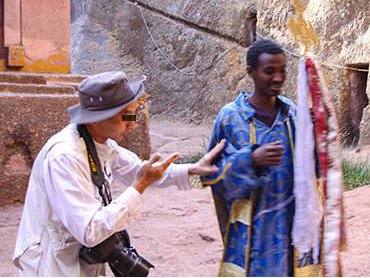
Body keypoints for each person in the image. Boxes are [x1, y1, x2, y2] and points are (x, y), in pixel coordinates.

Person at [13, 69, 224, 276]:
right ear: (96, 118)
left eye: (134, 113)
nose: (132, 123)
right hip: (53, 265)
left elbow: (139, 169)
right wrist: (139, 186)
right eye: (126, 116)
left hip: (77, 260)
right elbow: (90, 231)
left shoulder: (99, 143)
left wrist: (192, 169)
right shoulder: (65, 156)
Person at [201, 38, 297, 277]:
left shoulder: (293, 114)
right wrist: (250, 160)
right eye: (269, 71)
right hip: (251, 233)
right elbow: (210, 175)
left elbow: (310, 169)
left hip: (290, 227)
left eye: (282, 70)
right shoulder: (230, 118)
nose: (278, 78)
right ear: (251, 72)